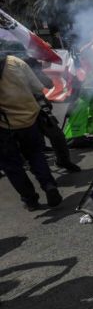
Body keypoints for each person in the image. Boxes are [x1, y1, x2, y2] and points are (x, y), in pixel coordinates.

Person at [0, 53, 63, 211]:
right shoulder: (15, 62)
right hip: (29, 119)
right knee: (35, 155)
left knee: (12, 166)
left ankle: (30, 199)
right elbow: (36, 87)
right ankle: (48, 185)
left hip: (3, 126)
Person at [21, 56, 81, 173]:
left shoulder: (31, 71)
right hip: (20, 112)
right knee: (28, 142)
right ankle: (30, 162)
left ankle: (63, 160)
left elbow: (48, 84)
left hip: (40, 109)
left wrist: (36, 75)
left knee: (57, 135)